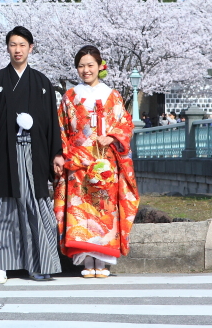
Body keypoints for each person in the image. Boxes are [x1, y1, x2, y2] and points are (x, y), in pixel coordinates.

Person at [0, 26, 64, 283]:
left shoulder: (42, 83)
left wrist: (56, 153)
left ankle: (38, 264)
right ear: (7, 48)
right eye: (13, 44)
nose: (17, 49)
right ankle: (1, 265)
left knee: (35, 206)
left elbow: (51, 122)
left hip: (34, 153)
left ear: (31, 48)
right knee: (5, 208)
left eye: (22, 45)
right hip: (5, 153)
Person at [53, 45, 139, 278]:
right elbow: (60, 127)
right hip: (78, 162)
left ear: (100, 66)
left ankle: (102, 261)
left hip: (105, 161)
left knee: (104, 210)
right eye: (81, 66)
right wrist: (61, 154)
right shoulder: (69, 96)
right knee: (81, 211)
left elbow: (125, 124)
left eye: (90, 65)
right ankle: (86, 261)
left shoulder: (112, 95)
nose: (85, 70)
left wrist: (111, 136)